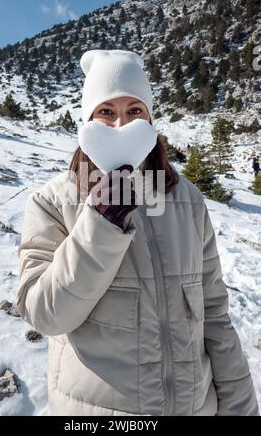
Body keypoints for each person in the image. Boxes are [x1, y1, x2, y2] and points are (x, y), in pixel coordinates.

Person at [16, 49, 259, 416]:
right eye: (106, 112)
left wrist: (242, 408)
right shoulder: (53, 202)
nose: (120, 125)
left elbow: (214, 316)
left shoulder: (186, 199)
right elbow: (45, 314)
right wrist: (99, 224)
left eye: (134, 111)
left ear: (150, 118)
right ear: (87, 121)